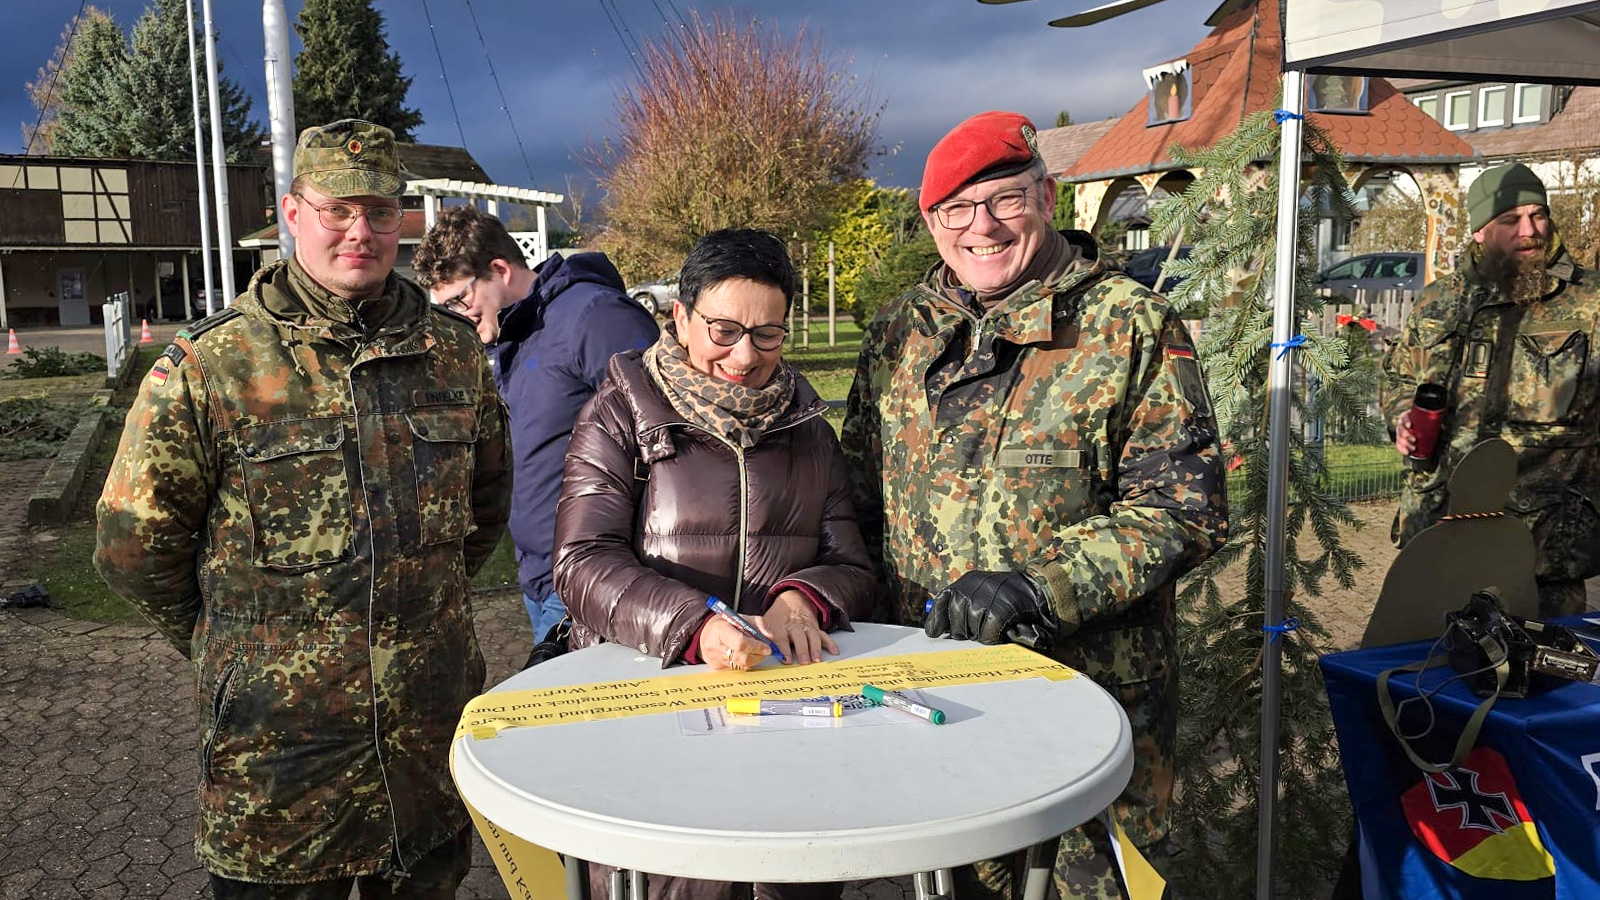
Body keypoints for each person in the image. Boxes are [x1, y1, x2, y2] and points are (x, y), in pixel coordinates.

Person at [93, 119, 512, 899]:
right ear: (293, 214)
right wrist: (234, 642)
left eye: (381, 212)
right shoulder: (210, 367)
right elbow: (132, 545)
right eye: (337, 210)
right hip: (281, 767)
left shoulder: (454, 353)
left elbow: (484, 507)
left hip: (423, 750)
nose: (361, 231)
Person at [841, 111, 1227, 900]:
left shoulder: (1128, 325)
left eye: (1005, 199)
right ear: (931, 222)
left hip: (1083, 705)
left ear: (1048, 198)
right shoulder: (897, 338)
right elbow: (853, 503)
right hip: (925, 703)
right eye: (956, 208)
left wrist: (1038, 586)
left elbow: (1184, 507)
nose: (981, 226)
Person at [553, 228, 873, 900]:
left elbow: (849, 560)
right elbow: (582, 562)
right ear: (680, 316)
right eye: (723, 330)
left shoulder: (809, 429)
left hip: (789, 717)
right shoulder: (619, 414)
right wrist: (694, 625)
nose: (744, 355)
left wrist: (799, 601)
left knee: (792, 876)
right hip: (651, 708)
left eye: (768, 335)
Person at [412, 206, 658, 648]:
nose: (456, 314)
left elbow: (662, 439)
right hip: (540, 574)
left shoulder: (594, 317)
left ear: (500, 269)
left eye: (459, 300)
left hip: (596, 575)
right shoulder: (511, 336)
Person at [1384, 161, 1600, 618]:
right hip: (1440, 527)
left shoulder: (1588, 303)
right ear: (1479, 231)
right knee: (1433, 674)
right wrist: (1402, 415)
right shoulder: (1439, 301)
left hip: (1542, 544)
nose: (1530, 230)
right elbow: (1401, 379)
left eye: (1538, 215)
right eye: (1510, 220)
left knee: (1543, 681)